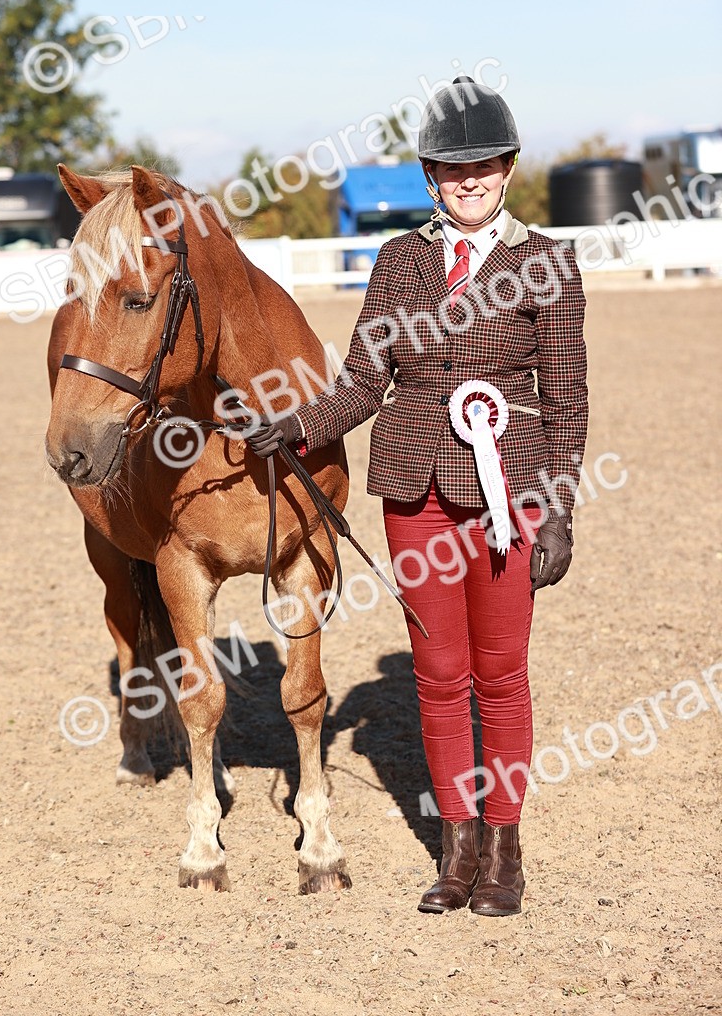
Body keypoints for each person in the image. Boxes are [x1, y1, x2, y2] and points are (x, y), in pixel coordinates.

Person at [248, 76, 589, 917]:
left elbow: (568, 395)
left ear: (507, 168)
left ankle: (505, 850)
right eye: (450, 165)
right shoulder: (398, 260)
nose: (468, 179)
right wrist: (294, 427)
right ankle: (456, 848)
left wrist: (560, 508)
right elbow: (366, 379)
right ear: (430, 175)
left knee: (500, 674)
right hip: (414, 491)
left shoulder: (545, 263)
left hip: (510, 491)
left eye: (483, 164)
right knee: (439, 676)